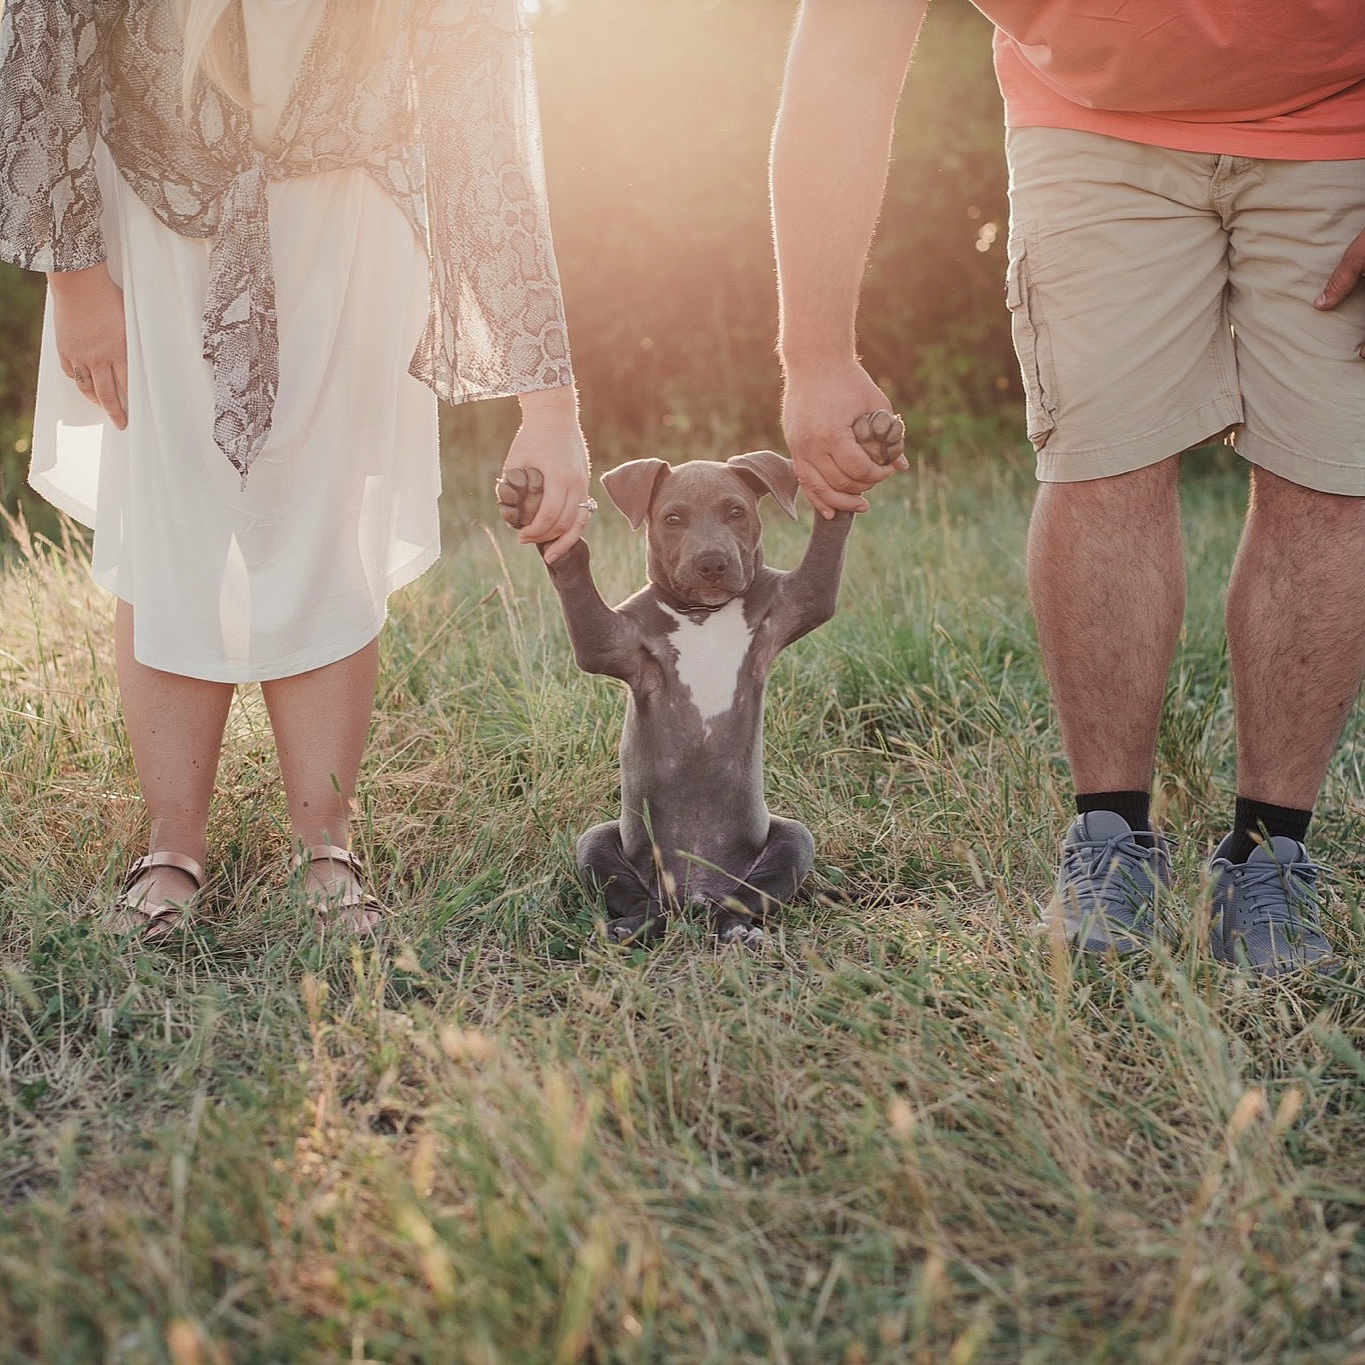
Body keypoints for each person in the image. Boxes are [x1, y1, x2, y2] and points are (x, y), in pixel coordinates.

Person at [771, 1, 1365, 974]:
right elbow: (844, 55)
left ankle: (1271, 857)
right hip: (1093, 120)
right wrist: (816, 352)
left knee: (1333, 478)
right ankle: (1110, 844)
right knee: (1100, 456)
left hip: (1345, 118)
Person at [0, 0, 592, 936]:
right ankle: (172, 847)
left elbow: (482, 109)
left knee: (326, 517)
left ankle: (328, 849)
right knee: (171, 511)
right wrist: (71, 272)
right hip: (148, 205)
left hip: (345, 203)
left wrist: (547, 404)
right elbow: (46, 23)